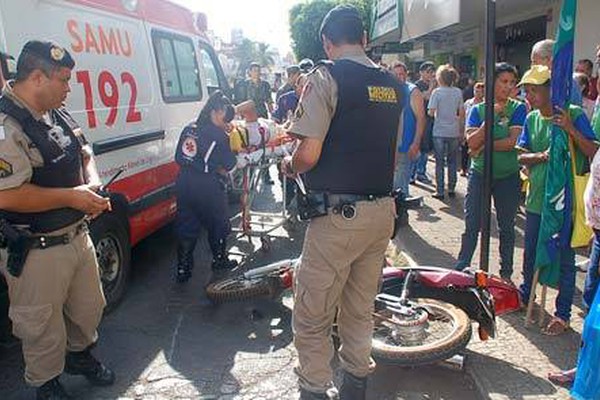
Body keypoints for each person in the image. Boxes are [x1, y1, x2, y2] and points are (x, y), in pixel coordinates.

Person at [281, 5, 403, 399]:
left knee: (312, 314)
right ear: (365, 38)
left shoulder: (326, 77)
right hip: (382, 213)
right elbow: (393, 149)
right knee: (359, 307)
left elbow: (309, 154)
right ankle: (356, 387)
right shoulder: (394, 85)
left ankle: (315, 390)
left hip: (339, 217)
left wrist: (289, 164)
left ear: (326, 43)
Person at [0, 40, 115, 399]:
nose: (69, 88)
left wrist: (91, 182)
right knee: (41, 326)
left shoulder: (55, 110)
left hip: (76, 235)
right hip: (36, 249)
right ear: (37, 77)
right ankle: (46, 382)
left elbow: (84, 150)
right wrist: (72, 196)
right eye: (64, 80)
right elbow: (7, 194)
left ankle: (79, 357)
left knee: (88, 308)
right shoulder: (6, 125)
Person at [517, 65, 598, 335]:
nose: (529, 96)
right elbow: (521, 154)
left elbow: (593, 151)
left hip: (566, 203)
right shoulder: (531, 119)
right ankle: (526, 297)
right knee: (531, 254)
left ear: (551, 90)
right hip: (536, 200)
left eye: (535, 90)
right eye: (527, 90)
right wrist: (542, 156)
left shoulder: (572, 114)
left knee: (565, 258)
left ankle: (562, 315)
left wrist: (570, 129)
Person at [455, 62, 527, 280]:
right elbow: (471, 140)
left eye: (512, 83)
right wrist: (488, 123)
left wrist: (483, 146)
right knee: (472, 223)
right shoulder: (477, 109)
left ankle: (506, 275)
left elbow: (512, 142)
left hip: (508, 176)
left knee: (506, 226)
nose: (508, 87)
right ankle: (461, 267)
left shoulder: (519, 108)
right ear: (491, 82)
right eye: (503, 81)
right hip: (479, 174)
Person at [173, 90, 238, 283]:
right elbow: (230, 164)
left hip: (184, 182)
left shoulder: (189, 128)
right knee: (218, 221)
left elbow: (180, 156)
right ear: (216, 112)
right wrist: (218, 168)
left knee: (186, 223)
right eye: (224, 115)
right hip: (206, 185)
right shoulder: (218, 135)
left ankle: (183, 268)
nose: (225, 120)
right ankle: (219, 259)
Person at [428, 64, 465, 199]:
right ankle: (451, 188)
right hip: (453, 130)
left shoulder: (436, 92)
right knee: (452, 162)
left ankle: (439, 191)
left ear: (440, 78)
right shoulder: (458, 92)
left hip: (439, 131)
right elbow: (461, 112)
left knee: (439, 162)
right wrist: (461, 129)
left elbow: (431, 112)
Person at [392, 62, 425, 196]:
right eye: (395, 75)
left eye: (401, 74)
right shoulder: (389, 90)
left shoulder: (413, 91)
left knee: (401, 190)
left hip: (405, 146)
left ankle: (402, 215)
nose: (399, 77)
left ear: (406, 75)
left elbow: (421, 119)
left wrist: (416, 143)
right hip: (391, 148)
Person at [531, 39, 582, 106]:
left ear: (549, 60)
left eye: (535, 62)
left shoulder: (569, 84)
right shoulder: (533, 82)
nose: (532, 66)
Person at [412, 61, 436, 184]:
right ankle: (415, 173)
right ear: (421, 72)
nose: (431, 74)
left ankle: (420, 172)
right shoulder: (418, 85)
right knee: (420, 146)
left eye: (432, 72)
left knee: (426, 146)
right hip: (420, 119)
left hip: (431, 119)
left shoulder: (436, 85)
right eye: (428, 72)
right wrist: (431, 87)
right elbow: (425, 97)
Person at [462, 82, 485, 176]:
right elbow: (463, 117)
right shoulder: (468, 103)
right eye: (476, 91)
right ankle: (463, 169)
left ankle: (473, 169)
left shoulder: (484, 104)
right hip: (468, 130)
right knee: (465, 150)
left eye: (481, 91)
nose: (478, 93)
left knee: (476, 151)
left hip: (480, 132)